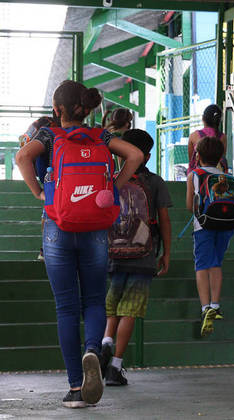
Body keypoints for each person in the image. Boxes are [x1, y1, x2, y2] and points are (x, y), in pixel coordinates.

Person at [14, 80, 143, 408]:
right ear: (85, 110)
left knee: (66, 307)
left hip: (58, 225)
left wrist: (40, 193)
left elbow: (22, 158)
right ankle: (92, 349)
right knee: (95, 300)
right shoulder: (101, 136)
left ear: (57, 110)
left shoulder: (48, 135)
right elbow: (136, 154)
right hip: (95, 227)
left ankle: (75, 388)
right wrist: (114, 185)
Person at [101, 129, 172, 386]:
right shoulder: (154, 182)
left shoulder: (110, 180)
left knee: (113, 306)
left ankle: (105, 343)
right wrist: (166, 253)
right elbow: (164, 219)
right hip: (143, 256)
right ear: (148, 155)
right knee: (130, 310)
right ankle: (115, 367)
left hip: (114, 253)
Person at [186, 136, 234, 337]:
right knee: (216, 263)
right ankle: (216, 303)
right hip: (226, 225)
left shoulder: (194, 175)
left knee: (202, 265)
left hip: (203, 225)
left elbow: (190, 206)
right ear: (221, 156)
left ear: (198, 155)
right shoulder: (226, 176)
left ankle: (206, 307)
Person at [18, 115, 59, 262]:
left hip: (48, 182)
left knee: (50, 207)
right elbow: (22, 155)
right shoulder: (50, 129)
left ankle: (46, 249)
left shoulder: (40, 125)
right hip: (56, 181)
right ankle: (47, 249)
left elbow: (23, 147)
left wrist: (38, 192)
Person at [187, 104, 228, 174]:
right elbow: (221, 157)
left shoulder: (193, 136)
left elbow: (191, 160)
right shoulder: (223, 137)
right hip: (217, 175)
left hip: (197, 174)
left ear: (203, 118)